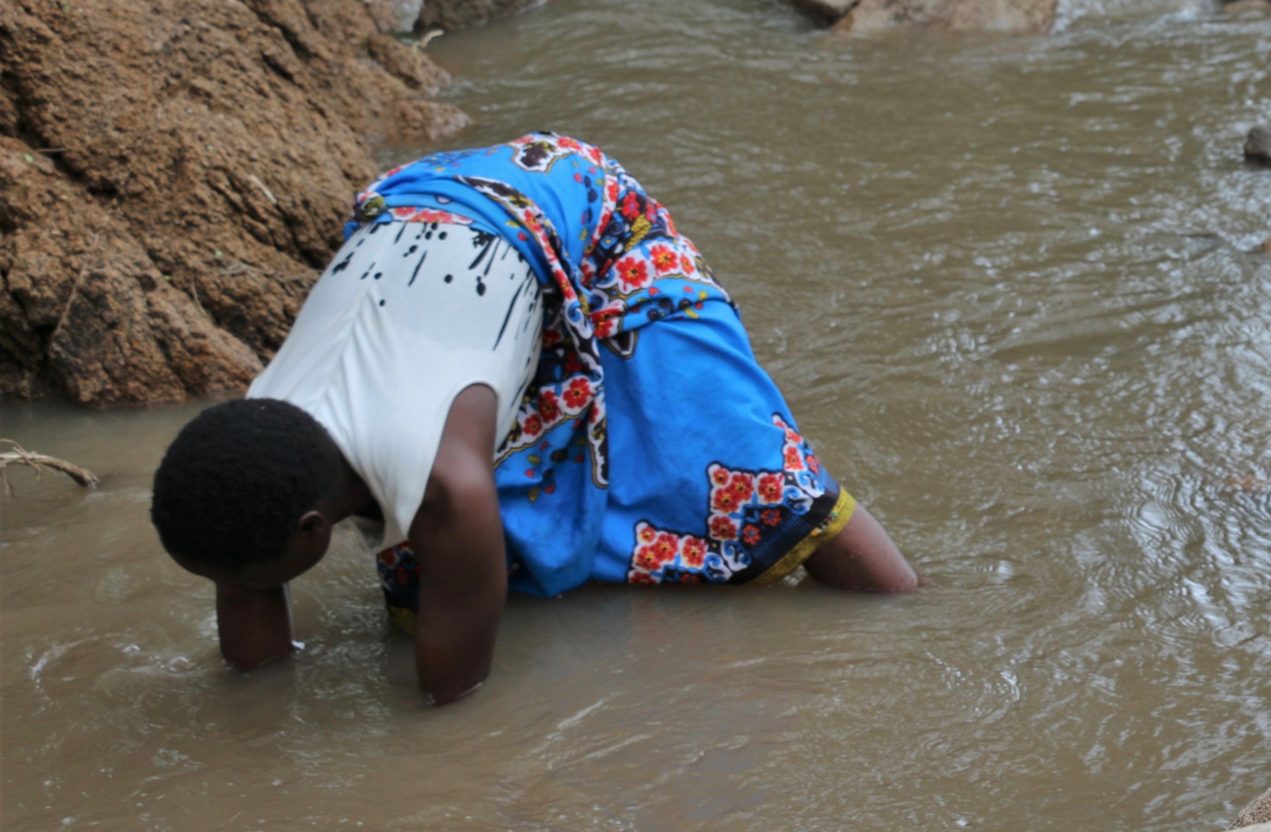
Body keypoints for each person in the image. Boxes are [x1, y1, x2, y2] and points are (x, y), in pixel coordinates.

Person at [150, 133, 916, 704]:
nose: (235, 596)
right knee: (438, 561)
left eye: (241, 585)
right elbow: (249, 614)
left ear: (318, 529)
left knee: (735, 459)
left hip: (584, 215)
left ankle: (908, 616)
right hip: (431, 222)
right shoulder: (253, 442)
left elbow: (450, 700)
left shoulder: (447, 483)